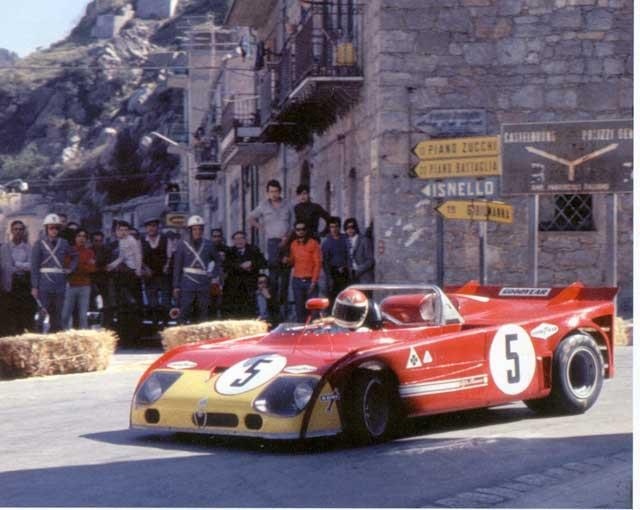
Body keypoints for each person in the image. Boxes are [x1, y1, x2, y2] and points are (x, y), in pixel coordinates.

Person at [248, 179, 295, 320]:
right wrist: (262, 228)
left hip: (286, 242)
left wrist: (287, 238)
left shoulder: (288, 205)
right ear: (268, 193)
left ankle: (284, 311)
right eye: (271, 192)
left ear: (280, 191)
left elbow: (294, 223)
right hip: (272, 243)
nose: (274, 194)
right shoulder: (263, 206)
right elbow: (250, 218)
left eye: (276, 191)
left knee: (285, 278)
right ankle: (273, 312)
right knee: (273, 278)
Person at [31, 213, 77, 333]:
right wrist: (35, 286)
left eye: (57, 227)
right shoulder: (39, 244)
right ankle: (38, 337)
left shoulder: (64, 243)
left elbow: (75, 256)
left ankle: (55, 338)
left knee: (58, 313)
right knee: (42, 311)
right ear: (46, 228)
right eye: (51, 227)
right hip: (44, 282)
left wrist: (70, 269)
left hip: (59, 282)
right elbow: (34, 266)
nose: (54, 230)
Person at [172, 215, 221, 324]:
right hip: (187, 282)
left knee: (203, 312)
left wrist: (213, 273)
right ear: (190, 230)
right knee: (184, 311)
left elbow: (218, 261)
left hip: (203, 283)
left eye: (200, 229)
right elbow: (177, 266)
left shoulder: (209, 244)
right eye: (194, 229)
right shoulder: (182, 245)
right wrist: (176, 286)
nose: (197, 231)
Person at [106, 220, 143, 341]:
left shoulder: (131, 240)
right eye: (121, 230)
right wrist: (112, 265)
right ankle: (124, 334)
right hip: (121, 276)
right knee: (122, 305)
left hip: (131, 274)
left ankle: (132, 334)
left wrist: (138, 270)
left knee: (131, 304)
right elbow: (121, 257)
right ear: (116, 231)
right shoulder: (117, 242)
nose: (123, 232)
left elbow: (137, 255)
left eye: (125, 230)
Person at [0, 220, 36, 335]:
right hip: (9, 285)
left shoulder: (29, 248)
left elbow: (32, 266)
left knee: (23, 314)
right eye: (15, 229)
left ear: (24, 231)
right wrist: (21, 266)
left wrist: (17, 264)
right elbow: (6, 267)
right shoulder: (4, 248)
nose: (18, 232)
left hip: (24, 284)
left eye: (20, 229)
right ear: (11, 231)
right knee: (9, 315)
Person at [284, 220, 322, 323]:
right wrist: (287, 260)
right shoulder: (293, 244)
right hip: (297, 280)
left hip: (310, 279)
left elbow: (318, 263)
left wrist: (314, 281)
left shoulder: (313, 243)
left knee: (314, 309)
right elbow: (292, 261)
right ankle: (301, 333)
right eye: (298, 229)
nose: (300, 231)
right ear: (295, 231)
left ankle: (315, 333)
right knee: (299, 308)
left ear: (306, 230)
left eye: (303, 229)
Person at [223, 230, 266, 318]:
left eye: (241, 238)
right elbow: (226, 266)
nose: (239, 241)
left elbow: (263, 263)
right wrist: (240, 266)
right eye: (236, 239)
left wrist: (252, 263)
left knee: (250, 312)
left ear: (246, 240)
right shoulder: (229, 251)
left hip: (250, 286)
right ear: (233, 241)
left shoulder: (253, 249)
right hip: (234, 287)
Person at [62, 229, 96, 329]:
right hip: (71, 285)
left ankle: (83, 338)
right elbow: (67, 266)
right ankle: (63, 336)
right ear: (75, 238)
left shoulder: (90, 252)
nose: (82, 238)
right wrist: (84, 264)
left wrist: (76, 265)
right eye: (79, 236)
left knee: (82, 316)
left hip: (85, 286)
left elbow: (92, 269)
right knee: (65, 315)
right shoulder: (69, 250)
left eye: (84, 236)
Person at [141, 218, 172, 328]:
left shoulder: (165, 239)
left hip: (163, 275)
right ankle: (154, 325)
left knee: (165, 303)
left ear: (158, 227)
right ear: (146, 228)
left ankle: (165, 324)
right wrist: (145, 268)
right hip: (149, 276)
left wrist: (167, 266)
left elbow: (169, 256)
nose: (151, 228)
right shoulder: (142, 241)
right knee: (152, 303)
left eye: (153, 226)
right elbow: (139, 258)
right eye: (149, 226)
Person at [322, 216, 351, 304]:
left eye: (336, 226)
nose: (334, 229)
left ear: (339, 227)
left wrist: (346, 267)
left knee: (347, 296)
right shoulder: (327, 242)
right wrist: (329, 276)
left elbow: (349, 255)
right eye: (332, 227)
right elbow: (325, 261)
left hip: (346, 272)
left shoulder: (345, 239)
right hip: (333, 273)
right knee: (333, 297)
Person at [344, 217, 375, 284]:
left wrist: (358, 269)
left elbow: (370, 260)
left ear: (356, 228)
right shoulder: (346, 241)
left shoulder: (364, 240)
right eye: (347, 228)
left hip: (365, 277)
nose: (350, 230)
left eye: (352, 227)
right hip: (352, 278)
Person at [210, 228, 230, 319]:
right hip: (211, 279)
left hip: (224, 278)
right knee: (212, 302)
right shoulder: (207, 249)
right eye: (214, 236)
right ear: (211, 237)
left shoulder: (227, 249)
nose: (217, 238)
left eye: (218, 236)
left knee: (223, 302)